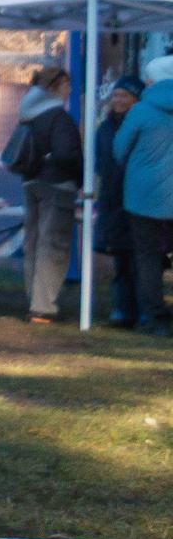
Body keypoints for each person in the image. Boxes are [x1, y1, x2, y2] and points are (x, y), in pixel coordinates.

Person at [8, 64, 85, 325]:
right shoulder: (58, 117)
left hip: (32, 184)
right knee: (54, 246)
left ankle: (34, 300)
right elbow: (66, 155)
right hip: (57, 186)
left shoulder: (28, 114)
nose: (70, 90)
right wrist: (80, 175)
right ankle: (43, 307)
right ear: (54, 88)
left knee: (34, 243)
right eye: (66, 85)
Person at [111, 55, 173, 335]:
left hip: (143, 196)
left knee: (147, 257)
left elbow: (119, 149)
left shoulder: (142, 110)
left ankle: (155, 317)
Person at [96, 76, 144, 328]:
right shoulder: (105, 128)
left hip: (137, 198)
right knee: (121, 259)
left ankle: (140, 310)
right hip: (113, 200)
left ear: (136, 99)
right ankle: (122, 310)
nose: (117, 100)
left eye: (124, 95)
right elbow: (98, 161)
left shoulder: (140, 125)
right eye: (115, 95)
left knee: (141, 260)